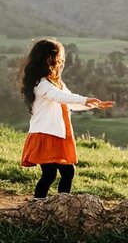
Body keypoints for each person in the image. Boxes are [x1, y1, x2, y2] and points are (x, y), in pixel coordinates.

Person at [15, 38, 114, 198]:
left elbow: (69, 100)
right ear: (49, 60)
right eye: (59, 60)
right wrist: (85, 100)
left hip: (58, 135)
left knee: (67, 172)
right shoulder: (41, 85)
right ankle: (37, 206)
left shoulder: (55, 83)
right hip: (45, 135)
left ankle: (62, 204)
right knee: (50, 175)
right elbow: (59, 97)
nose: (61, 64)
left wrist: (92, 103)